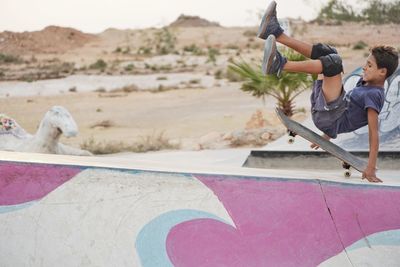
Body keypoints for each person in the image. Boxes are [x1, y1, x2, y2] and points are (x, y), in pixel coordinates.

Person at [258, 1, 399, 183]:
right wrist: (326, 136)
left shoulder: (375, 95)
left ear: (383, 72)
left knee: (334, 63)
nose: (364, 67)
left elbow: (374, 133)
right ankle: (275, 32)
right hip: (327, 113)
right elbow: (351, 116)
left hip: (330, 115)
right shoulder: (365, 84)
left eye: (369, 65)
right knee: (328, 52)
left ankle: (280, 64)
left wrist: (370, 167)